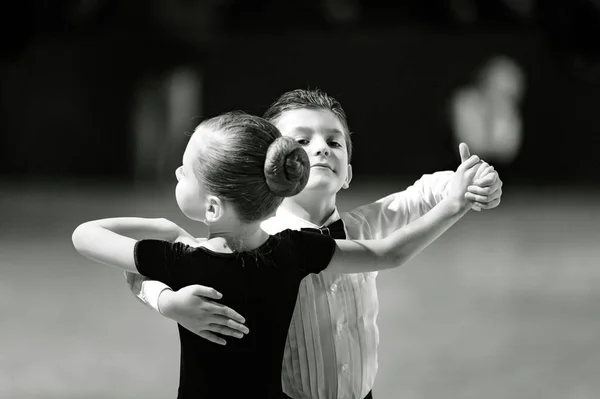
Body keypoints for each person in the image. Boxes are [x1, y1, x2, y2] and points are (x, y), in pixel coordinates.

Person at [72, 110, 485, 398]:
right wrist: (452, 206)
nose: (178, 174)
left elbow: (87, 236)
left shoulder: (185, 258)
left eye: (185, 170)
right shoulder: (294, 251)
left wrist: (166, 286)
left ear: (213, 207)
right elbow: (389, 253)